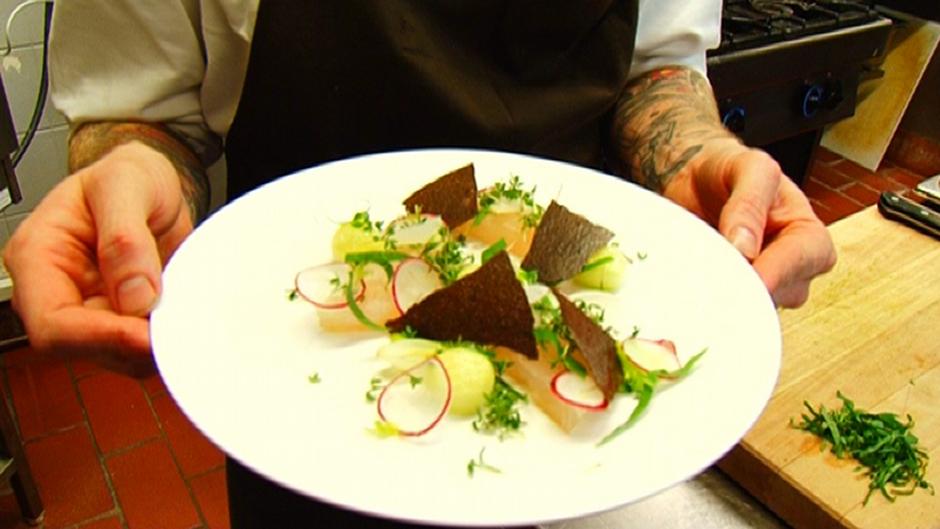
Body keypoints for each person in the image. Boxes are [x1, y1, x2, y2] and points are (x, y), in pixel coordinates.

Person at [3, 1, 836, 527]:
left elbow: (657, 63)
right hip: (309, 400)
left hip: (576, 414)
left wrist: (691, 153)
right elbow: (142, 112)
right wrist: (132, 166)